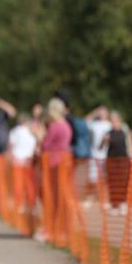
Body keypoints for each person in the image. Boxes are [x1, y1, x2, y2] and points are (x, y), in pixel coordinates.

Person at [35, 97, 73, 243]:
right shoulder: (66, 125)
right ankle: (61, 229)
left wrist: (39, 137)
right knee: (61, 197)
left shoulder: (55, 126)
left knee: (51, 197)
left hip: (53, 164)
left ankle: (51, 229)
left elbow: (45, 145)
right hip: (64, 163)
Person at [101, 111, 132, 214]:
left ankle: (123, 203)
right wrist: (104, 140)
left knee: (123, 182)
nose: (114, 123)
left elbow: (130, 145)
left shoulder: (125, 132)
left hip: (123, 160)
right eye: (112, 121)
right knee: (112, 183)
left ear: (119, 121)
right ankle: (114, 204)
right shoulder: (108, 133)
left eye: (115, 120)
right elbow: (101, 146)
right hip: (111, 161)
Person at [8, 113, 38, 214]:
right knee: (29, 184)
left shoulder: (15, 131)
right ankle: (31, 205)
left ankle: (19, 204)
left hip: (17, 160)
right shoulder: (31, 132)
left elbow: (11, 146)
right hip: (28, 160)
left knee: (18, 184)